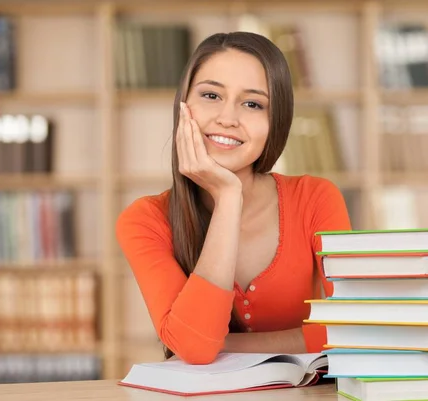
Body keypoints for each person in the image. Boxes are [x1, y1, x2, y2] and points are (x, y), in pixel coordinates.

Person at [115, 31, 352, 365]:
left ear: (275, 122)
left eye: (253, 103)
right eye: (211, 95)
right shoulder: (145, 220)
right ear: (184, 106)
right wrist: (228, 197)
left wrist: (223, 345)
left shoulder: (315, 199)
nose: (227, 118)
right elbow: (196, 348)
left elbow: (351, 327)